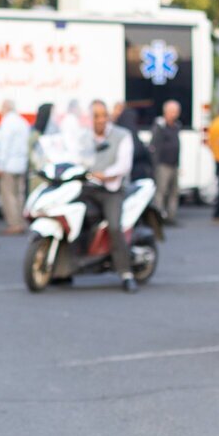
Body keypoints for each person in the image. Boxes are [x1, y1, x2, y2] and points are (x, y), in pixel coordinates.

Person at [84, 100, 137, 292]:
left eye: (103, 115)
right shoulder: (83, 136)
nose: (100, 120)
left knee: (114, 226)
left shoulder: (122, 136)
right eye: (96, 116)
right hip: (86, 187)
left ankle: (125, 273)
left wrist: (104, 175)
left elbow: (123, 166)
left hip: (111, 189)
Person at [0, 99, 30, 234]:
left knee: (8, 196)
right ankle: (20, 222)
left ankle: (14, 224)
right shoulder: (22, 122)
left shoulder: (7, 122)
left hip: (8, 165)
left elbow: (4, 146)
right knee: (19, 195)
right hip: (21, 164)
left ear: (6, 108)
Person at [150, 99, 182, 224]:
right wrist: (155, 165)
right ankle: (158, 218)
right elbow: (154, 147)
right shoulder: (160, 127)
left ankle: (171, 217)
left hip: (174, 164)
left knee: (174, 192)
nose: (175, 114)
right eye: (172, 111)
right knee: (161, 191)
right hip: (163, 164)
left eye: (176, 111)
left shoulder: (176, 126)